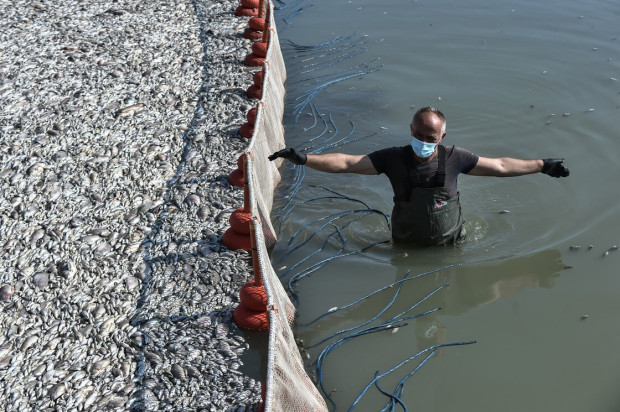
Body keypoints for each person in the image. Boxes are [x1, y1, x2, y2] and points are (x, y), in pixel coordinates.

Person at [269, 106, 570, 246]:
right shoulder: (391, 158)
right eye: (420, 134)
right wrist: (305, 159)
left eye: (432, 136)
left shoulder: (456, 158)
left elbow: (501, 166)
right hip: (405, 244)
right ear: (411, 130)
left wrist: (542, 165)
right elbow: (348, 163)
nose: (425, 141)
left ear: (443, 136)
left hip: (452, 244)